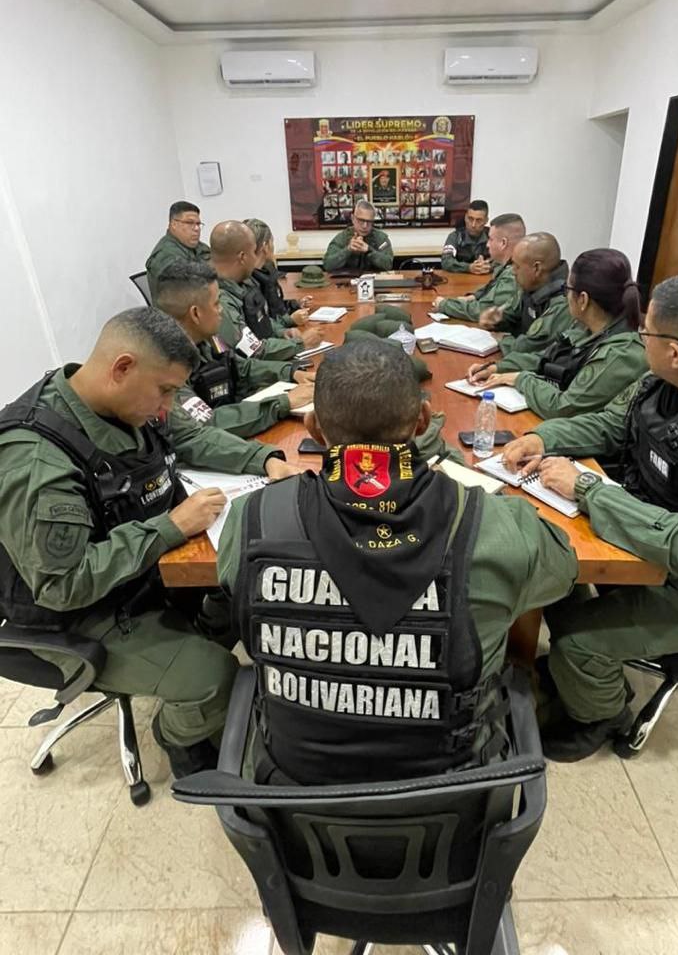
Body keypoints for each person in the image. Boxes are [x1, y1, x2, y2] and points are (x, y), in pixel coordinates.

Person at [216, 339, 578, 785]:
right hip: (453, 791)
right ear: (423, 422)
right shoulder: (495, 526)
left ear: (313, 429)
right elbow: (562, 573)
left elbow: (235, 587)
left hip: (294, 791)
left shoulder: (253, 521)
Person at [0, 307, 298, 779]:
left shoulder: (132, 402)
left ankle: (191, 648)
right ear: (122, 368)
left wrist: (265, 460)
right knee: (212, 676)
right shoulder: (39, 461)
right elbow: (63, 584)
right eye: (164, 392)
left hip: (144, 574)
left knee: (244, 595)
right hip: (83, 614)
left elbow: (193, 437)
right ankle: (180, 739)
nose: (166, 407)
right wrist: (171, 527)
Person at [500, 272, 678, 762]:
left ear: (675, 350)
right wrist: (545, 439)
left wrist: (587, 490)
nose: (638, 337)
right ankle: (576, 672)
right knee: (557, 581)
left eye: (646, 331)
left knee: (578, 643)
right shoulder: (667, 381)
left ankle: (602, 717)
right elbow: (611, 423)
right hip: (659, 529)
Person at [473, 249, 648, 418]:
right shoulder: (589, 328)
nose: (565, 296)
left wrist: (521, 380)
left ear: (583, 300)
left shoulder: (621, 354)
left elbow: (563, 407)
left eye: (567, 289)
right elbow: (545, 358)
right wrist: (498, 367)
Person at [155, 261, 314, 436]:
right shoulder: (165, 368)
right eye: (216, 304)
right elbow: (207, 422)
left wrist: (291, 372)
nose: (221, 310)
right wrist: (284, 403)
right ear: (195, 313)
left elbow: (242, 368)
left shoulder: (208, 339)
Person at [207, 221, 321, 361]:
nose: (255, 258)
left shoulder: (245, 282)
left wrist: (281, 332)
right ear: (243, 257)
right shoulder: (219, 300)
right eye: (253, 252)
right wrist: (300, 343)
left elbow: (260, 320)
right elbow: (253, 350)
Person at [467, 232, 571, 380]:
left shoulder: (561, 303)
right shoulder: (532, 285)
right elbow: (513, 314)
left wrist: (503, 339)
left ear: (537, 268)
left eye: (516, 266)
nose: (513, 271)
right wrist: (496, 321)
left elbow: (524, 348)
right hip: (518, 366)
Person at [433, 213, 526, 322]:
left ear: (503, 243)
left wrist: (445, 305)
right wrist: (474, 296)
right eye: (470, 218)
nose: (487, 244)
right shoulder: (506, 266)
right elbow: (491, 287)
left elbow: (484, 311)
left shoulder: (514, 274)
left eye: (491, 239)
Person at [242, 218, 314, 332]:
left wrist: (295, 304)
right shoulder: (248, 281)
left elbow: (275, 306)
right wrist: (290, 320)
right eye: (272, 241)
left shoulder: (267, 272)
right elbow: (261, 323)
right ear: (265, 246)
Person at [145, 202, 210, 301]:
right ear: (174, 224)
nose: (197, 229)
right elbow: (190, 287)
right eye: (189, 223)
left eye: (198, 224)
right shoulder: (165, 254)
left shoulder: (197, 246)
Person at [322, 200, 394, 272]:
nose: (365, 226)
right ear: (353, 218)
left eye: (369, 221)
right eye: (361, 220)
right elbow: (327, 265)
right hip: (347, 281)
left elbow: (388, 265)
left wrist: (369, 250)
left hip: (373, 280)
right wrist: (348, 250)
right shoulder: (342, 238)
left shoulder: (381, 238)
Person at [441, 201, 491, 275]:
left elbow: (503, 260)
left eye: (479, 220)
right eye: (470, 219)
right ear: (465, 218)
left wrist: (488, 266)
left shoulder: (492, 236)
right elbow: (446, 262)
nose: (473, 225)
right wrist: (468, 267)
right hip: (461, 280)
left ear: (486, 221)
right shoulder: (455, 236)